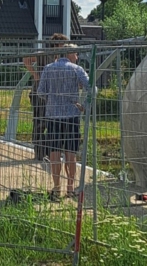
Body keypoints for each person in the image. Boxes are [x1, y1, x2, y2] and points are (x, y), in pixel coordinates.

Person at [37, 43, 90, 200]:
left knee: (54, 153)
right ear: (70, 54)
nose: (77, 57)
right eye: (76, 54)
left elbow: (40, 92)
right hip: (71, 116)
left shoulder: (48, 68)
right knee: (70, 153)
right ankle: (70, 187)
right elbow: (92, 88)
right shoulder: (76, 69)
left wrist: (52, 99)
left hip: (53, 115)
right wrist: (84, 106)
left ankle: (56, 187)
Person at [23, 33, 67, 160]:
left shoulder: (60, 58)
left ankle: (48, 151)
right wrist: (35, 75)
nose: (65, 47)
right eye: (63, 45)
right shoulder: (45, 54)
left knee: (52, 123)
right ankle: (39, 153)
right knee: (40, 122)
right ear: (57, 44)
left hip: (52, 95)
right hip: (39, 94)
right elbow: (26, 59)